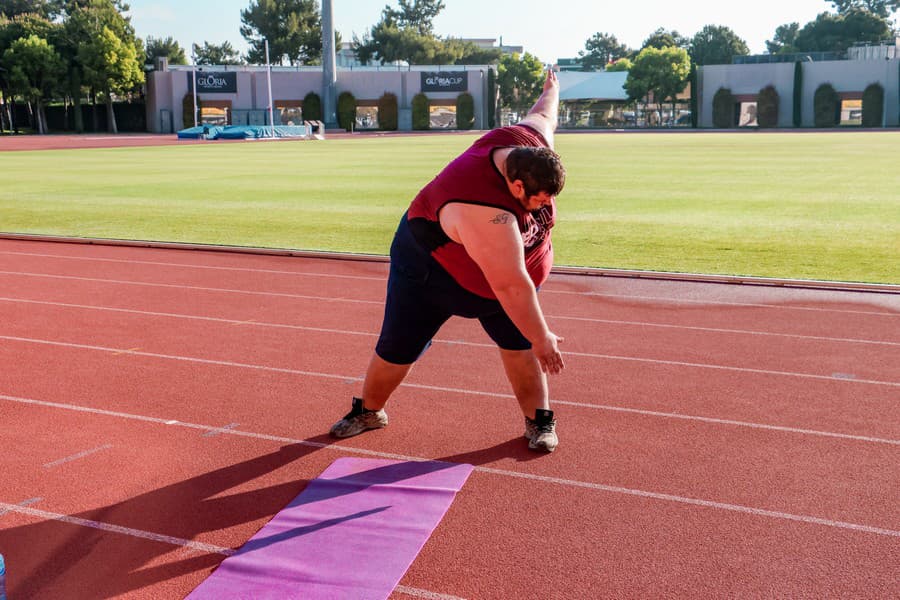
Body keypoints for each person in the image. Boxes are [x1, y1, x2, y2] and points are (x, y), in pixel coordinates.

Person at [330, 69, 566, 452]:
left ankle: (539, 421)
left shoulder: (529, 144)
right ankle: (369, 411)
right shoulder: (484, 207)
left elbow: (545, 113)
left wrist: (552, 89)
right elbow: (509, 284)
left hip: (503, 280)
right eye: (539, 199)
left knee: (519, 348)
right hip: (431, 274)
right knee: (397, 348)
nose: (545, 206)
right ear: (516, 185)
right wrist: (543, 337)